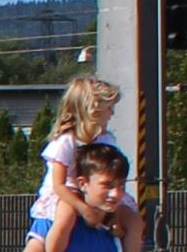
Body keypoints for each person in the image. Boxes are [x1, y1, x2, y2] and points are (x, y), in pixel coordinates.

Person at [27, 72, 124, 234]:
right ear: (92, 111)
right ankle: (51, 249)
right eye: (109, 108)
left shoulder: (106, 139)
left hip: (97, 192)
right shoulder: (66, 141)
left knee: (133, 220)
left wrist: (116, 215)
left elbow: (115, 174)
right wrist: (84, 209)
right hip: (66, 193)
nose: (112, 113)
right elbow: (58, 185)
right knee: (67, 216)